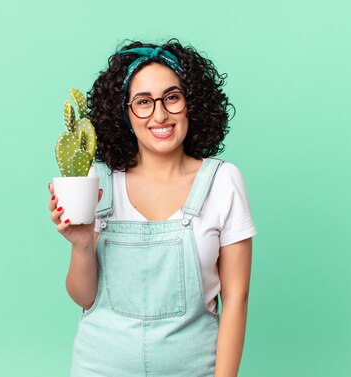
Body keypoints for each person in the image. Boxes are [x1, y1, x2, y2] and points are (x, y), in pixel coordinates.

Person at [47, 39, 257, 377]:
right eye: (143, 102)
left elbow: (236, 299)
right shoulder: (97, 181)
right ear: (124, 114)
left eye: (172, 97)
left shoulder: (222, 182)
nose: (160, 114)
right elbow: (85, 298)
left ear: (192, 104)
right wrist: (82, 244)